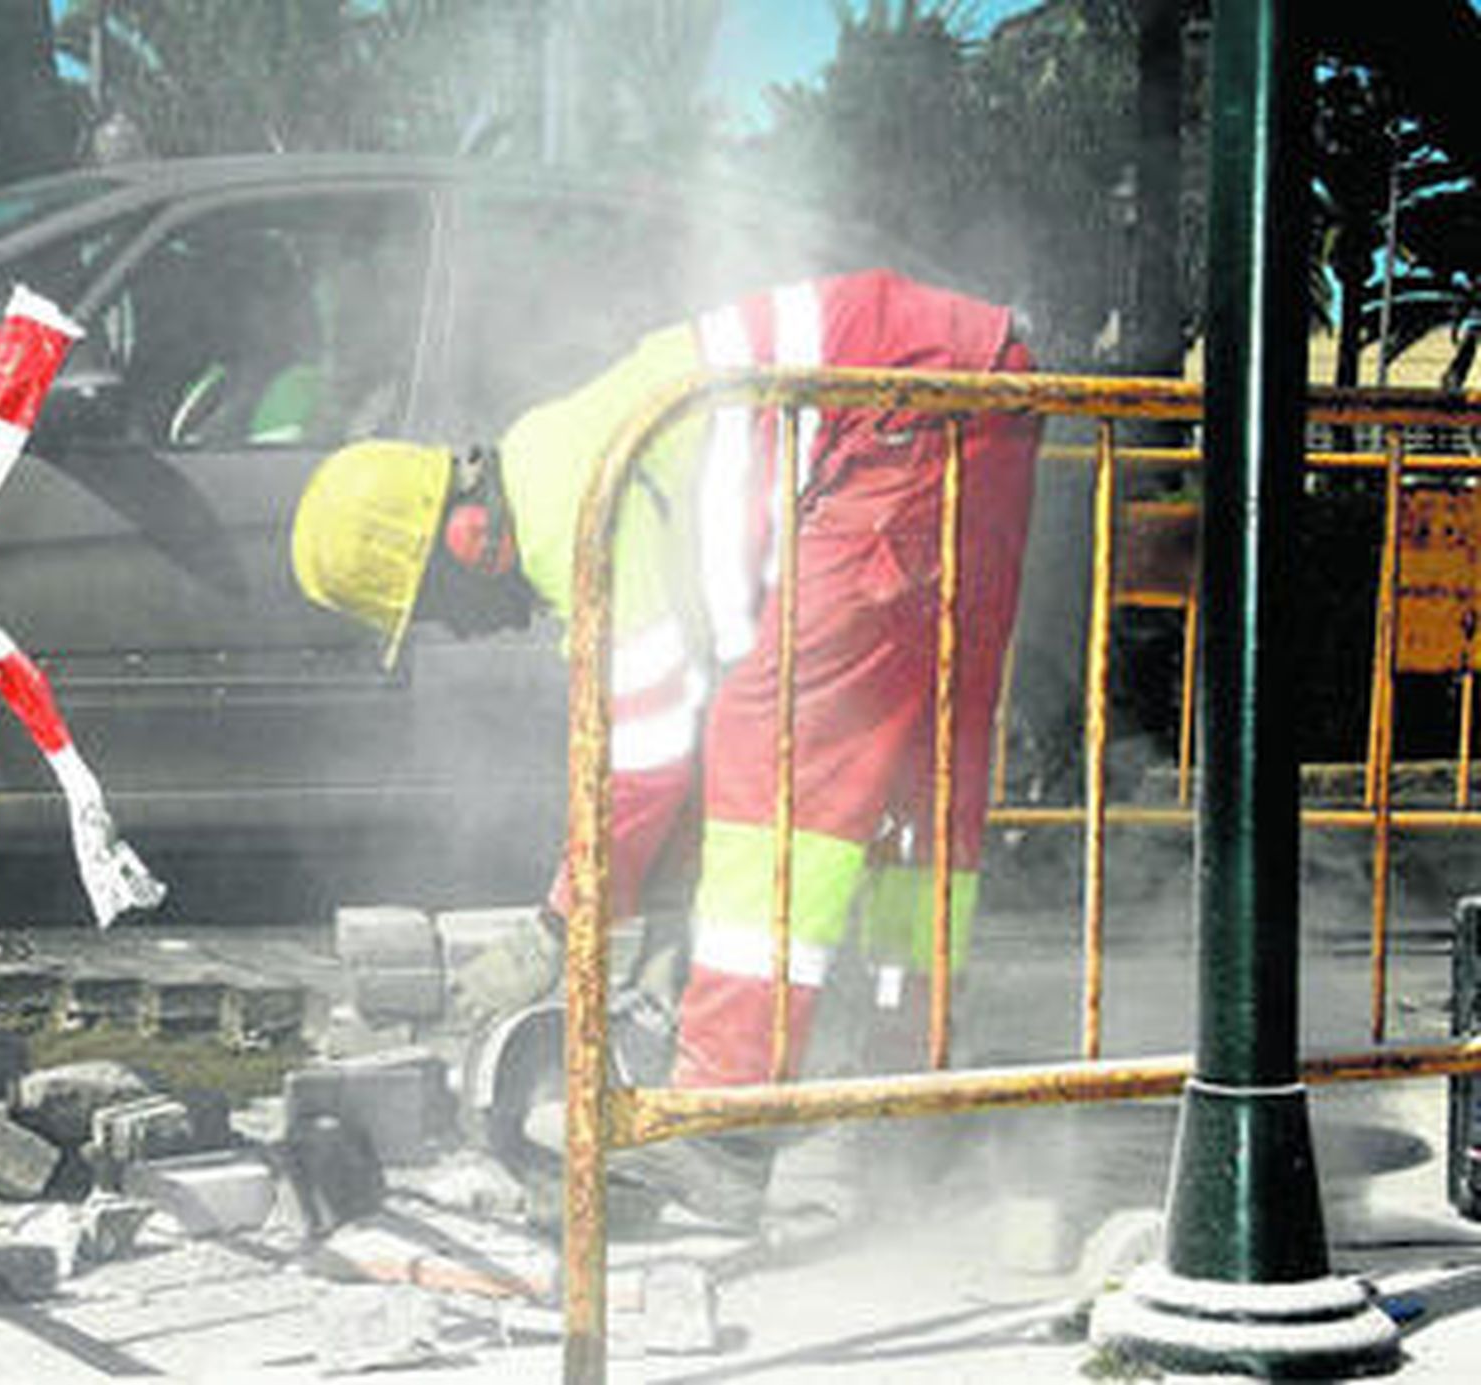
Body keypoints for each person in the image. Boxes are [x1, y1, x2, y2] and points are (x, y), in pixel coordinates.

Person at [290, 268, 1042, 1226]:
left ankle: (721, 1131)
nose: (465, 633)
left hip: (900, 413)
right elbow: (667, 739)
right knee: (912, 772)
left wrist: (560, 927)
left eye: (438, 611)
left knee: (770, 750)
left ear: (468, 537)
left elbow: (644, 755)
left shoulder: (574, 511)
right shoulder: (557, 460)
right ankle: (913, 1082)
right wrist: (668, 934)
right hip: (937, 396)